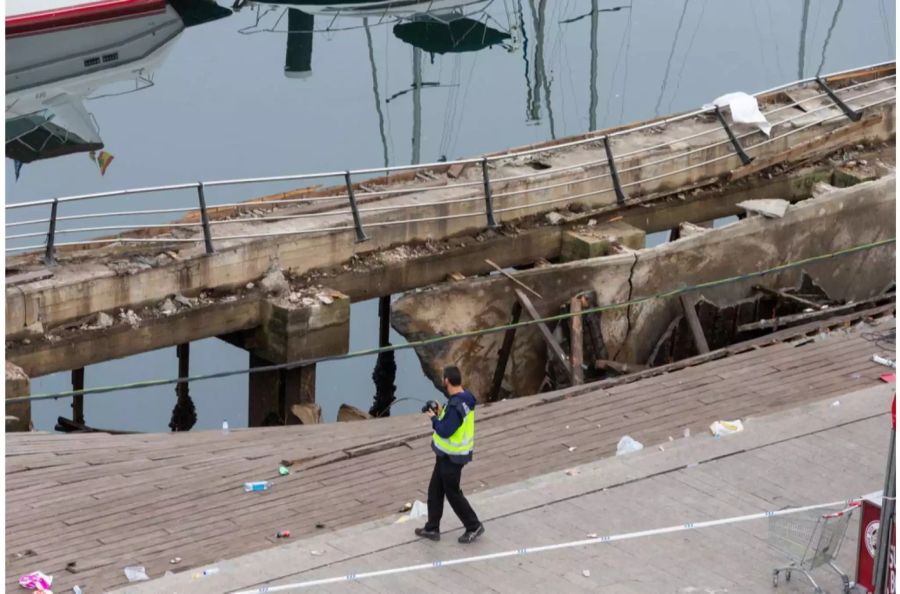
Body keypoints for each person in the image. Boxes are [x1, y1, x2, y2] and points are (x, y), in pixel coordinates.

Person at [415, 366, 484, 544]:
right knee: (435, 490)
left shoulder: (456, 405)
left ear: (446, 381)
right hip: (447, 455)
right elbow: (452, 420)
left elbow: (445, 430)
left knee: (453, 493)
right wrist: (440, 411)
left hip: (453, 457)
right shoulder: (464, 397)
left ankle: (473, 525)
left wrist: (433, 418)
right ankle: (432, 528)